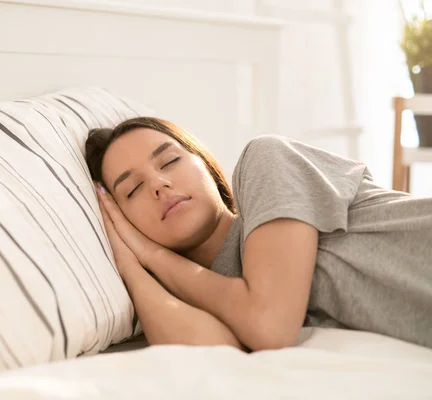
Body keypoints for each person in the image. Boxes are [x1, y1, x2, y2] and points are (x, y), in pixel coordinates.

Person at [85, 116, 432, 352]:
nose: (160, 184)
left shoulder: (265, 161)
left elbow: (270, 324)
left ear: (204, 163)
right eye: (132, 190)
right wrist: (131, 264)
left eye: (170, 161)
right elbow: (213, 359)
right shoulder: (199, 297)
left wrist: (154, 256)